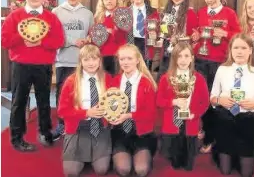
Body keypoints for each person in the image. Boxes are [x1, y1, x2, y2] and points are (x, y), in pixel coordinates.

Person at [1, 0, 64, 151]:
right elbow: (5, 40)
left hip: (43, 65)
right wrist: (22, 37)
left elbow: (59, 40)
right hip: (21, 64)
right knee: (19, 101)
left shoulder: (51, 18)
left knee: (44, 101)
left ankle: (45, 132)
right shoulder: (15, 16)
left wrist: (40, 42)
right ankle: (17, 137)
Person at [210, 33, 254, 177]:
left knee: (246, 173)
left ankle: (243, 153)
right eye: (236, 47)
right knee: (225, 171)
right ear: (230, 50)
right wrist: (220, 101)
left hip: (247, 121)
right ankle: (222, 151)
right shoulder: (222, 70)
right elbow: (212, 98)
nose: (239, 51)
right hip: (225, 120)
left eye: (243, 48)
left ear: (250, 50)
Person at [194, 0, 242, 153]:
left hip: (220, 63)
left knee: (216, 100)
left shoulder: (229, 13)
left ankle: (211, 137)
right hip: (200, 60)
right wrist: (195, 37)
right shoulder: (200, 13)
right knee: (202, 99)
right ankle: (207, 128)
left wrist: (226, 33)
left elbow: (239, 37)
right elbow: (197, 33)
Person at [57, 44, 113, 177]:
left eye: (94, 59)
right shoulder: (71, 81)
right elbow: (62, 111)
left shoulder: (108, 78)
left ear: (100, 60)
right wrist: (86, 113)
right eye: (86, 60)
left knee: (101, 170)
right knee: (71, 172)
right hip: (77, 128)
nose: (91, 63)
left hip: (100, 127)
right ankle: (84, 155)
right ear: (80, 62)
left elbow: (115, 102)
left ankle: (93, 155)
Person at [51, 0, 94, 141]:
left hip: (82, 62)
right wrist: (72, 41)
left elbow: (93, 34)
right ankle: (62, 123)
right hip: (64, 59)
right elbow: (54, 36)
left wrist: (88, 39)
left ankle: (82, 121)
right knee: (63, 92)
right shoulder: (56, 12)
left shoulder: (88, 13)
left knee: (82, 92)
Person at [157, 42, 209, 170]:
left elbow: (205, 102)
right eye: (179, 56)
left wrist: (195, 114)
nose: (183, 60)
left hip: (190, 123)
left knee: (188, 166)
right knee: (174, 163)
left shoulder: (198, 78)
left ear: (192, 58)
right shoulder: (166, 78)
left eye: (186, 56)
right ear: (174, 59)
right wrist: (173, 102)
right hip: (172, 124)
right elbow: (159, 100)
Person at [111, 44, 158, 177]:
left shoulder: (146, 83)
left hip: (142, 133)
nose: (125, 62)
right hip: (120, 132)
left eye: (129, 58)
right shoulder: (115, 81)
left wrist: (128, 115)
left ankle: (146, 155)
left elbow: (151, 114)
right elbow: (108, 106)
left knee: (141, 170)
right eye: (122, 59)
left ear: (138, 60)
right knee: (123, 169)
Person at [157, 0, 198, 80]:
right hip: (167, 50)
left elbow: (192, 37)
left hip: (181, 51)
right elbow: (164, 31)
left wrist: (178, 39)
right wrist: (161, 35)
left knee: (178, 79)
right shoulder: (167, 11)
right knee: (164, 78)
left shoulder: (190, 13)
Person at [126, 0, 159, 70]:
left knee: (146, 77)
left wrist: (156, 34)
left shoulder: (153, 12)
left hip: (147, 47)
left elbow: (159, 30)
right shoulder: (125, 12)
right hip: (131, 45)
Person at [93, 0, 126, 75]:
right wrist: (104, 32)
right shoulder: (98, 18)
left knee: (116, 81)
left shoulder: (122, 15)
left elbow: (124, 36)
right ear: (102, 1)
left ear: (117, 0)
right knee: (104, 81)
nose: (109, 1)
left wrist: (113, 31)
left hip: (118, 54)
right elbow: (95, 38)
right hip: (102, 54)